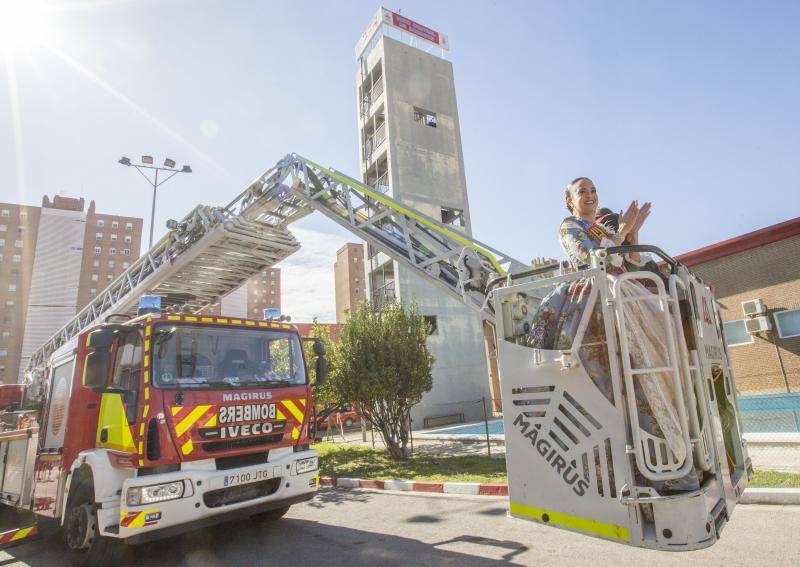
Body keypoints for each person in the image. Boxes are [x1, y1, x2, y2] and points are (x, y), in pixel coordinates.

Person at [528, 177, 699, 493]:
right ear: (570, 201)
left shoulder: (603, 230)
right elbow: (592, 260)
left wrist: (634, 231)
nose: (590, 195)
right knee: (615, 385)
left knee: (656, 370)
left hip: (624, 293)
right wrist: (621, 232)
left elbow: (629, 261)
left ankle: (674, 457)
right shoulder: (569, 226)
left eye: (593, 190)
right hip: (597, 298)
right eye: (583, 191)